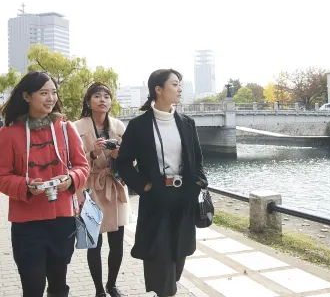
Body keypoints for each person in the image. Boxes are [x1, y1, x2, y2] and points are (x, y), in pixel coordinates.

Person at [116, 69, 208, 297]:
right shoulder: (139, 126)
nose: (180, 89)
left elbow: (198, 161)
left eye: (180, 84)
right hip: (156, 199)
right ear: (158, 90)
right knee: (161, 261)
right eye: (175, 84)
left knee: (178, 259)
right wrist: (144, 186)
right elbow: (124, 163)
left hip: (184, 200)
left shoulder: (187, 123)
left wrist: (198, 183)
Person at [0, 71, 89, 297]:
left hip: (62, 221)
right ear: (27, 97)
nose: (51, 98)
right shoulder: (9, 134)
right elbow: (2, 176)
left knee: (59, 287)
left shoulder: (66, 129)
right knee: (33, 288)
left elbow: (82, 166)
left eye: (53, 92)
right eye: (44, 93)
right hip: (27, 225)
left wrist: (70, 179)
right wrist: (26, 185)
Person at [74, 82, 131, 297]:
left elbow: (130, 162)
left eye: (106, 96)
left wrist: (119, 157)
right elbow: (70, 164)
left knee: (117, 243)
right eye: (97, 96)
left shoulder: (119, 126)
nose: (102, 100)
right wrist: (93, 154)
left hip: (114, 187)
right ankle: (99, 290)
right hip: (88, 189)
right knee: (93, 244)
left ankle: (112, 285)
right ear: (88, 102)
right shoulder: (75, 127)